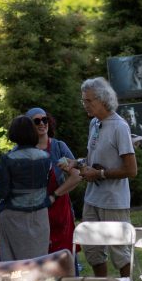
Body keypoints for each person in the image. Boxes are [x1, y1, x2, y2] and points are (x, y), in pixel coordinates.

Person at [60, 77, 137, 279]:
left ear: (103, 100)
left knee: (120, 253)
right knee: (92, 250)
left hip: (114, 201)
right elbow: (94, 159)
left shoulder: (120, 127)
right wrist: (76, 163)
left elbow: (131, 170)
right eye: (83, 100)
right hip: (92, 199)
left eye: (89, 100)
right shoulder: (94, 123)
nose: (85, 104)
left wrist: (99, 174)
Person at [0, 115, 52, 261]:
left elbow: (2, 192)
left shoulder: (8, 159)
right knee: (38, 263)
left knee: (12, 265)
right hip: (40, 216)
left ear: (14, 133)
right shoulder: (46, 157)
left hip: (13, 216)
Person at [26, 107, 81, 256]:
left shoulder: (58, 147)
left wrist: (54, 196)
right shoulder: (24, 152)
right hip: (36, 211)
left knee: (66, 256)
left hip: (60, 210)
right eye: (37, 121)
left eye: (44, 120)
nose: (42, 123)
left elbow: (77, 175)